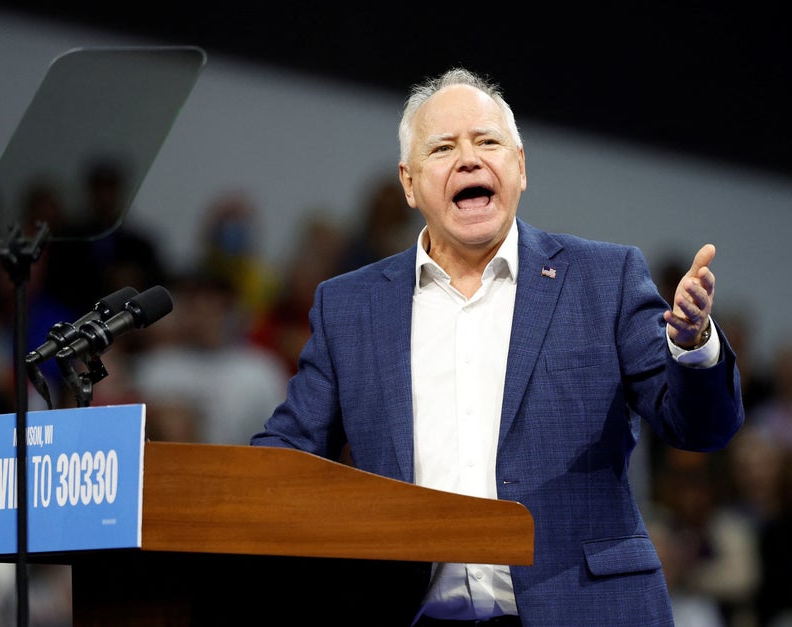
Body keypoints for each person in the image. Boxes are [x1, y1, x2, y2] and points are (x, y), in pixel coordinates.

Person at [250, 67, 746, 626]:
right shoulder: (350, 306)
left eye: (487, 142)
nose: (468, 159)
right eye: (443, 148)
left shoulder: (603, 279)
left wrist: (694, 345)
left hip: (586, 610)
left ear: (520, 167)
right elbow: (284, 455)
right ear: (409, 183)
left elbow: (701, 429)